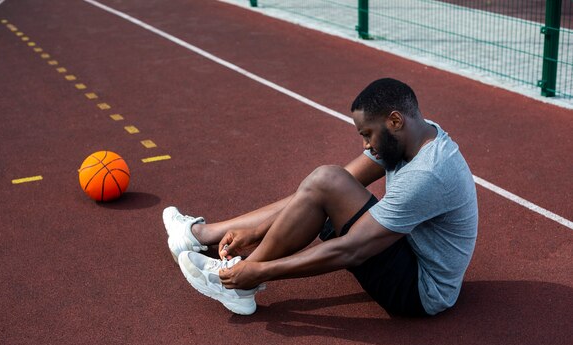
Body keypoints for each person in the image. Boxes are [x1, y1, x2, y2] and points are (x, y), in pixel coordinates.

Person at [163, 78, 478, 317]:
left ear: (395, 121)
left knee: (327, 182)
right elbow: (325, 186)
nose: (367, 146)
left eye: (367, 134)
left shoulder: (428, 173)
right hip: (407, 250)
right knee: (325, 179)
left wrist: (262, 270)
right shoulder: (414, 135)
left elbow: (351, 251)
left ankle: (238, 281)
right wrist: (254, 232)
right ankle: (203, 237)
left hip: (421, 291)